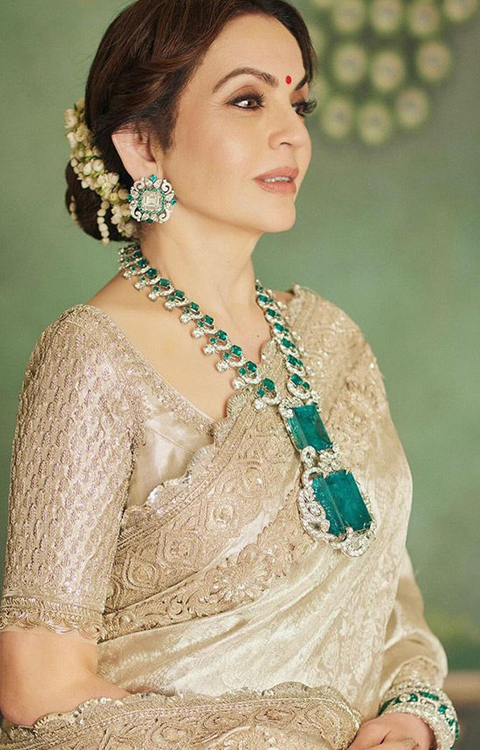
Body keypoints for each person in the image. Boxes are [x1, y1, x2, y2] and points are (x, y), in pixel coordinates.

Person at [0, 1, 459, 748]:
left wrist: (411, 715)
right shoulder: (92, 357)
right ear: (142, 145)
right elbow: (39, 687)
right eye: (248, 100)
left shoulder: (331, 340)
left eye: (298, 103)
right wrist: (291, 734)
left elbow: (387, 586)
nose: (292, 134)